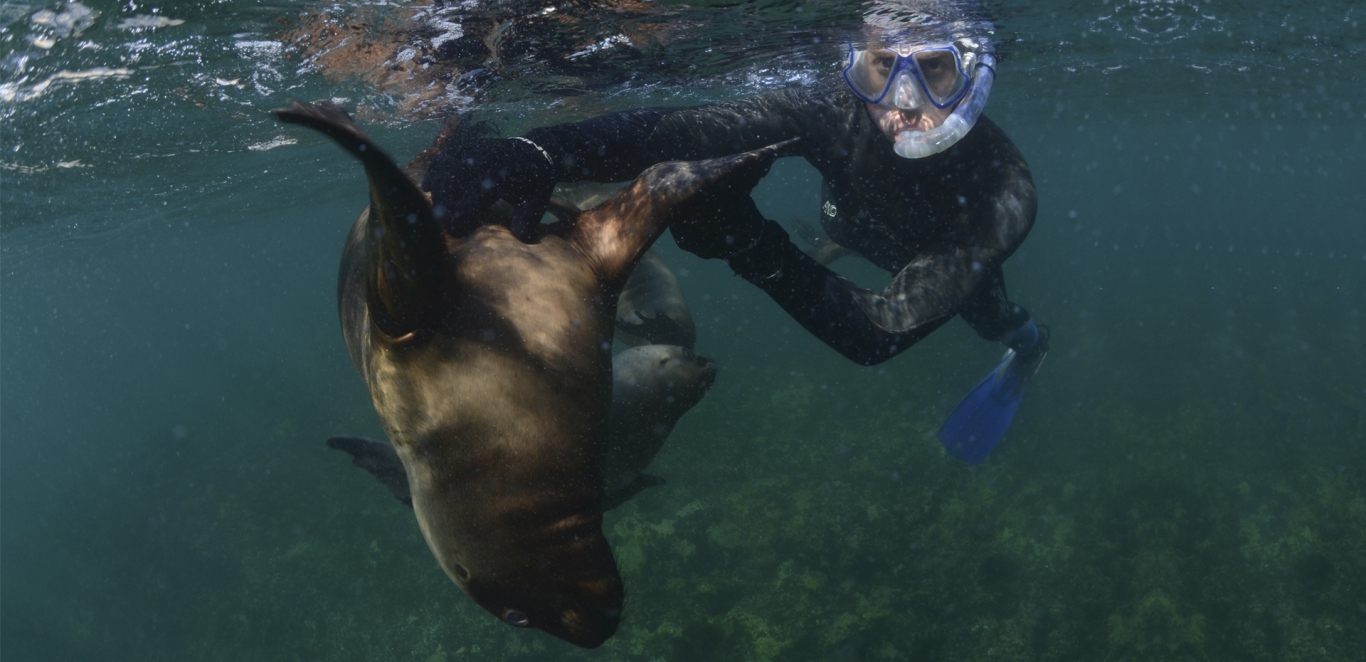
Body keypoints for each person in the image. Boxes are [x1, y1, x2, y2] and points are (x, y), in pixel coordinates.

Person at [422, 0, 1048, 464]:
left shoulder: (1003, 194)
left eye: (935, 72)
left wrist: (748, 242)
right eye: (881, 66)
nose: (901, 102)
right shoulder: (833, 107)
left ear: (976, 73)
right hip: (853, 222)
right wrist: (540, 151)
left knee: (986, 312)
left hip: (941, 247)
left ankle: (1026, 341)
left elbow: (877, 331)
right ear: (857, 61)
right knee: (826, 214)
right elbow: (684, 131)